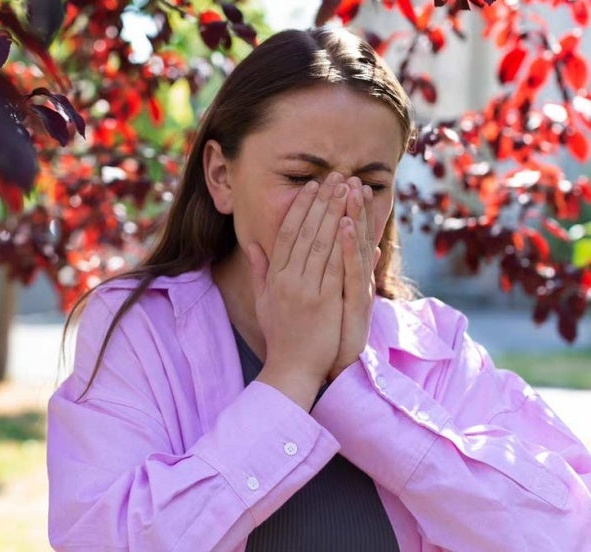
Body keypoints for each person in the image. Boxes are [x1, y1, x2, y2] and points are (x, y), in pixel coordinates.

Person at [46, 26, 591, 551]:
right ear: (221, 175)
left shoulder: (435, 347)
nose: (342, 210)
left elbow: (568, 531)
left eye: (373, 185)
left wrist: (362, 394)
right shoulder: (138, 328)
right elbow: (102, 538)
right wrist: (290, 377)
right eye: (302, 178)